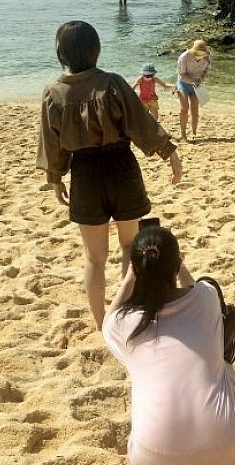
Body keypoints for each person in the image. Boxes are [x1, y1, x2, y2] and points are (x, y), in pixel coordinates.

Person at [37, 21, 182, 331]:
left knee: (94, 258)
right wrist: (170, 153)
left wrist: (56, 177)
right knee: (130, 247)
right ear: (96, 50)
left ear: (60, 54)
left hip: (85, 173)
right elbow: (141, 124)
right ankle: (127, 315)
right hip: (121, 167)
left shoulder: (54, 94)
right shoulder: (113, 84)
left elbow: (52, 143)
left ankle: (103, 324)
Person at [102, 225, 235, 465]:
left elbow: (107, 321)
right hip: (229, 454)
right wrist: (179, 266)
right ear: (178, 262)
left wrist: (128, 279)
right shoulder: (206, 299)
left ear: (136, 269)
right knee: (223, 365)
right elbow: (194, 288)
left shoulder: (124, 325)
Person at [176, 38, 211, 141]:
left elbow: (206, 70)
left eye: (203, 54)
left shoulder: (207, 57)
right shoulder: (184, 57)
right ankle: (183, 134)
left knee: (195, 110)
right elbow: (181, 74)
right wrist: (192, 81)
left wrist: (201, 78)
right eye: (198, 53)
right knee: (184, 109)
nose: (201, 56)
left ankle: (194, 133)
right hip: (183, 83)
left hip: (197, 85)